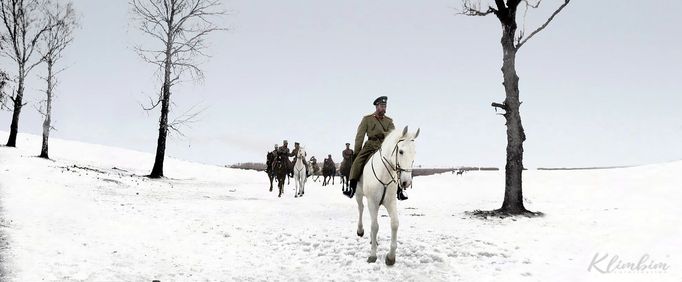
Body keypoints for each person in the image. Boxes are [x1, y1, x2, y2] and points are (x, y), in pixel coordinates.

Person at [342, 96, 408, 200]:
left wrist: (384, 136)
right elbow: (359, 137)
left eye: (385, 106)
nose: (384, 108)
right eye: (382, 106)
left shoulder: (389, 121)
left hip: (384, 146)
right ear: (377, 106)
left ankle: (399, 191)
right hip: (371, 146)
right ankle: (352, 187)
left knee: (395, 163)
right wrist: (357, 152)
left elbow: (393, 135)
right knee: (357, 162)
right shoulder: (367, 119)